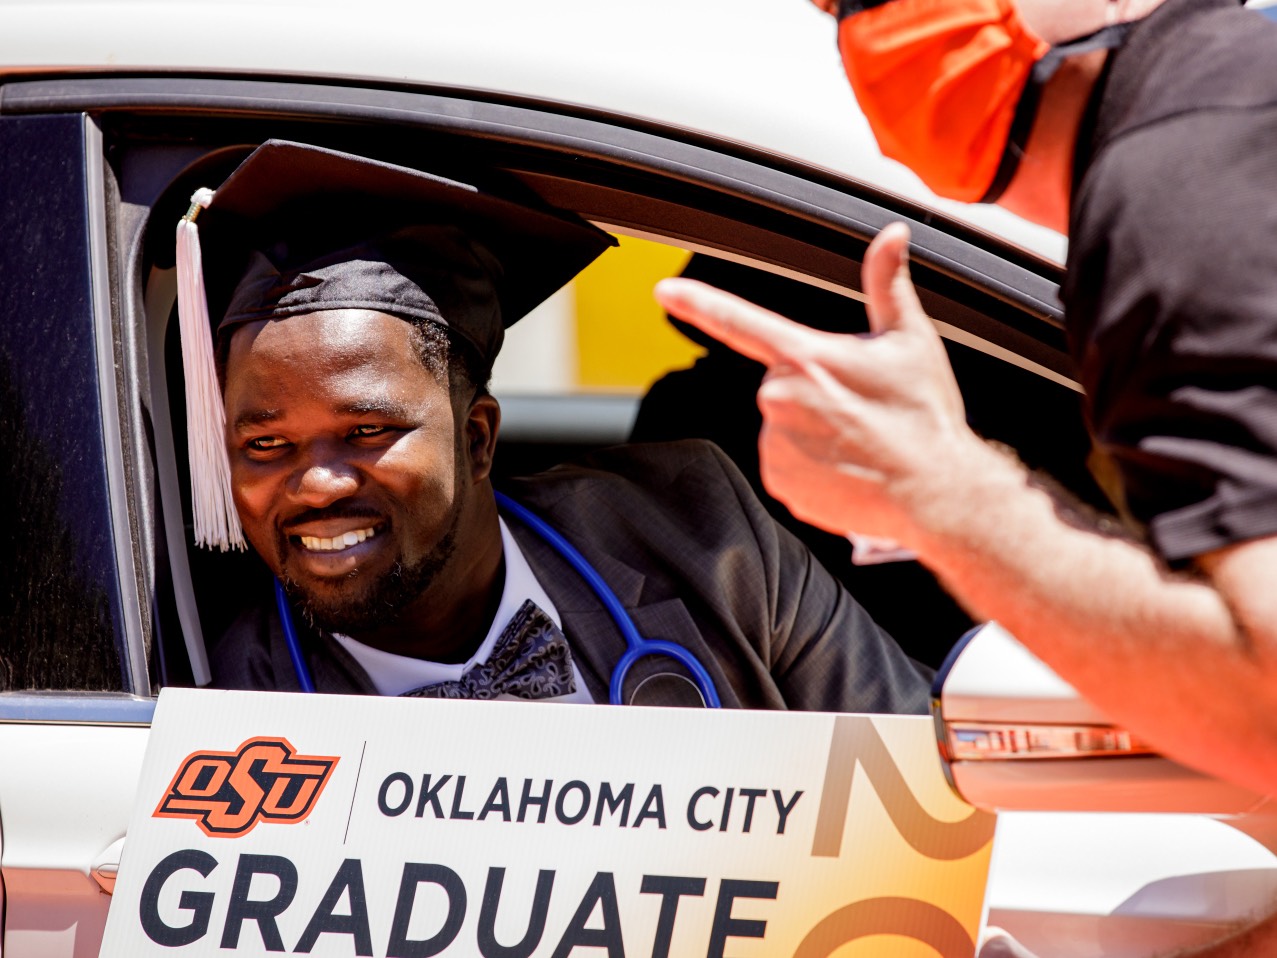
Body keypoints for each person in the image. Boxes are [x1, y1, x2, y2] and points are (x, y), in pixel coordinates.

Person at [659, 0, 1277, 794]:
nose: (874, 25)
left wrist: (939, 494)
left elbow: (1262, 702)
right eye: (843, 5)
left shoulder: (1179, 171)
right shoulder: (1223, 116)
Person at [175, 138, 931, 714]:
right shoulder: (228, 705)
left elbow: (915, 773)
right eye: (265, 445)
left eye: (367, 430)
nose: (317, 483)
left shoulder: (700, 533)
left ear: (476, 439)